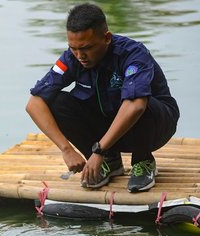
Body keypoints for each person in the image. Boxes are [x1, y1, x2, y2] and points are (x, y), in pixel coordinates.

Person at [26, 3, 179, 192]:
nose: (80, 56)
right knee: (55, 102)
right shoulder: (71, 58)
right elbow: (34, 103)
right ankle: (111, 161)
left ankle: (143, 160)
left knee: (138, 99)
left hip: (154, 125)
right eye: (73, 48)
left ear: (106, 38)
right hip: (109, 128)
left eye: (86, 48)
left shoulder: (133, 54)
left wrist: (98, 150)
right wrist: (67, 149)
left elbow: (136, 106)